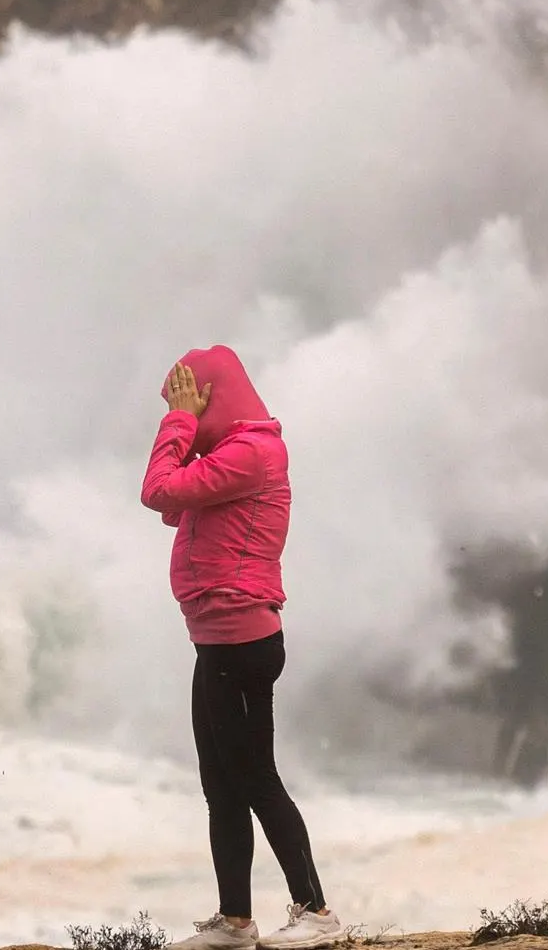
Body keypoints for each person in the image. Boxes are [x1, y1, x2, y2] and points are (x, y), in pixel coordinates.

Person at [140, 346, 344, 950]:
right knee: (219, 784)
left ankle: (318, 913)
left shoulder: (254, 452)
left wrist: (177, 425)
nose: (181, 410)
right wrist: (186, 430)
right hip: (214, 642)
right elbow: (173, 506)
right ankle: (235, 921)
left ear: (212, 395)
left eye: (189, 397)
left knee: (256, 779)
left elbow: (156, 491)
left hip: (245, 640)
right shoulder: (230, 454)